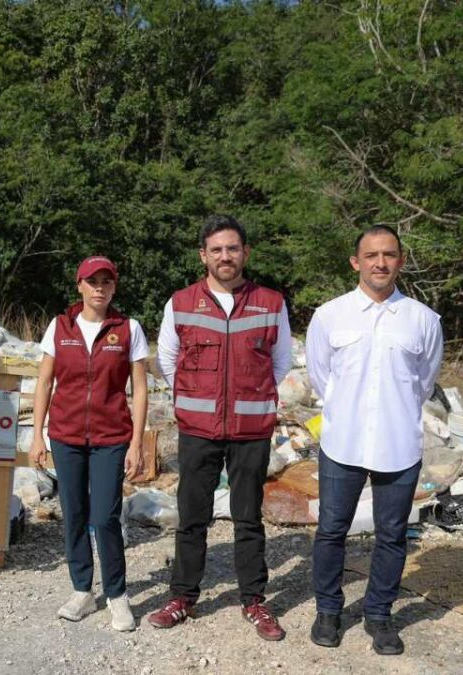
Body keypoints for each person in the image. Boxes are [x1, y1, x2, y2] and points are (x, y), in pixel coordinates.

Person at [150, 215, 292, 641]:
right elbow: (167, 361)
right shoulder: (180, 303)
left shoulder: (271, 302)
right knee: (192, 517)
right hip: (198, 429)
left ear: (245, 253)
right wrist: (197, 401)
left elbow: (281, 363)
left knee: (248, 517)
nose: (225, 256)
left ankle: (253, 600)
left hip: (251, 429)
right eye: (216, 250)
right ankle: (183, 597)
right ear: (203, 256)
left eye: (233, 248)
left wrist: (248, 400)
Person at [306, 225, 442, 655]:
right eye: (371, 256)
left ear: (401, 260)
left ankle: (379, 615)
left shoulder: (423, 319)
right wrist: (347, 409)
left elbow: (424, 381)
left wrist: (390, 411)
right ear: (356, 262)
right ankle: (328, 610)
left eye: (388, 255)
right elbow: (320, 376)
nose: (380, 263)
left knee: (391, 535)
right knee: (331, 530)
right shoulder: (330, 315)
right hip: (342, 443)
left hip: (398, 444)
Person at [29, 256, 148, 632]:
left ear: (114, 287)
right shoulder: (59, 327)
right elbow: (45, 382)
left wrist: (137, 443)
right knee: (74, 514)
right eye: (92, 281)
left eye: (106, 281)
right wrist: (36, 434)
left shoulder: (128, 329)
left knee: (105, 517)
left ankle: (117, 595)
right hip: (65, 436)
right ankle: (82, 590)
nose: (99, 287)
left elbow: (141, 390)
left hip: (111, 437)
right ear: (79, 285)